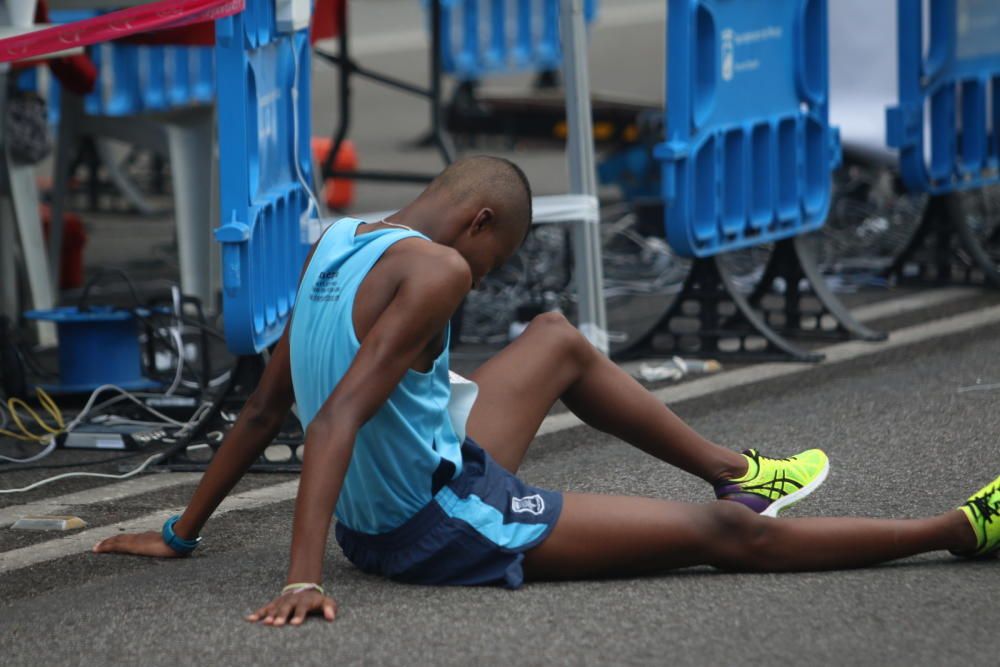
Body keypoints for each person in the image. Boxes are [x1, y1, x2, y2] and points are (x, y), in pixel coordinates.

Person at [94, 156, 999, 627]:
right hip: (433, 525)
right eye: (500, 257)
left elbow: (261, 410)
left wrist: (182, 533)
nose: (487, 278)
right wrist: (302, 575)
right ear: (477, 221)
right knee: (724, 541)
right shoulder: (440, 268)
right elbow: (329, 419)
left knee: (555, 339)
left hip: (425, 471)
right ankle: (953, 532)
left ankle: (736, 467)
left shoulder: (336, 239)